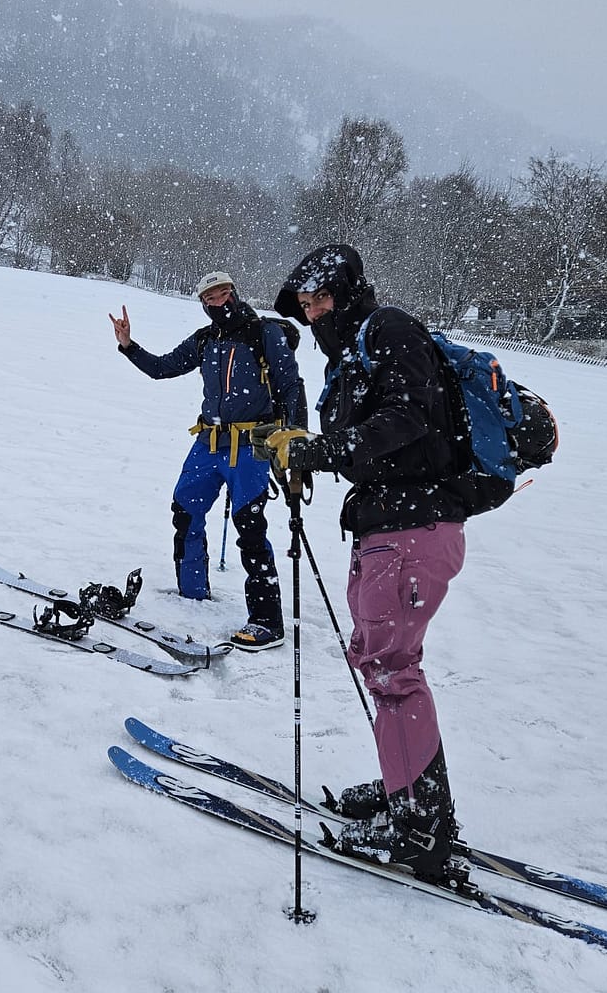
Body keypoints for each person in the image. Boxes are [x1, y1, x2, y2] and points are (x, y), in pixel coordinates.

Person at [257, 243, 472, 883]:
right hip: (390, 529)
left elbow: (408, 418)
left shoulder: (390, 331)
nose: (313, 313)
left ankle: (420, 828)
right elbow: (370, 439)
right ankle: (407, 789)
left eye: (321, 299)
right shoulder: (351, 355)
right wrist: (311, 452)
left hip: (413, 529)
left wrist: (326, 449)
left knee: (391, 670)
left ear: (347, 293)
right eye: (304, 305)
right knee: (384, 665)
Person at [109, 271, 306, 651]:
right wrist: (128, 345)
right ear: (203, 303)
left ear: (235, 292)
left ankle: (267, 622)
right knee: (184, 510)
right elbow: (163, 367)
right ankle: (192, 594)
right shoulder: (205, 339)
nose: (219, 301)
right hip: (208, 443)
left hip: (250, 447)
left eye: (224, 293)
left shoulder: (265, 334)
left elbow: (291, 386)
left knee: (249, 526)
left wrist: (295, 441)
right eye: (211, 298)